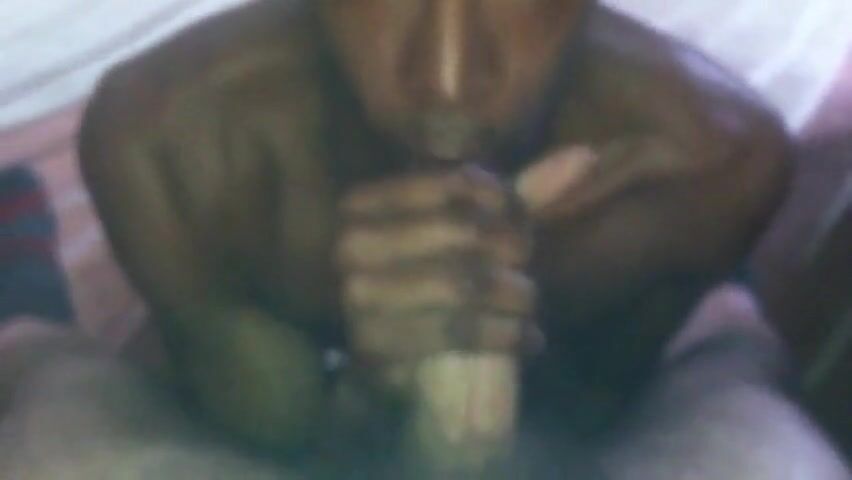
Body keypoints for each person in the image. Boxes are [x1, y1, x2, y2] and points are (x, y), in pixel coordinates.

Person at [1, 0, 848, 478]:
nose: (447, 79)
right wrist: (378, 396)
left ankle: (725, 329)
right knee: (51, 432)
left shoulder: (717, 161)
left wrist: (467, 412)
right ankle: (26, 320)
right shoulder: (168, 143)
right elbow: (272, 439)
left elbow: (587, 417)